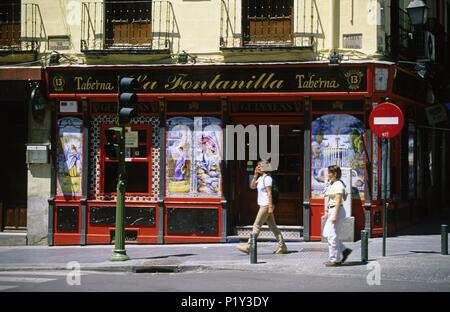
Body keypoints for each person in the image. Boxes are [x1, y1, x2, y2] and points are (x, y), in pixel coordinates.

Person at [236, 160, 288, 255]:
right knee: (273, 227)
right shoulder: (260, 178)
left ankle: (249, 246)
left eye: (259, 166)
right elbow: (252, 187)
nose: (257, 167)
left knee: (256, 225)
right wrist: (255, 175)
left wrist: (270, 207)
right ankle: (283, 246)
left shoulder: (267, 179)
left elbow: (269, 193)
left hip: (266, 205)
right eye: (257, 166)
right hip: (263, 205)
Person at [322, 165, 352, 266]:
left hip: (336, 210)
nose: (328, 174)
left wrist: (334, 215)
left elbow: (338, 200)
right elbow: (330, 198)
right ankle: (344, 250)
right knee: (328, 234)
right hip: (332, 210)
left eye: (329, 172)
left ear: (334, 174)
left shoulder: (338, 184)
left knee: (332, 236)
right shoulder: (332, 183)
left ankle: (335, 260)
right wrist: (326, 210)